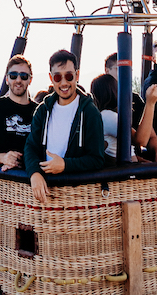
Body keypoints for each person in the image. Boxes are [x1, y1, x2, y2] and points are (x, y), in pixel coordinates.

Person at [24, 49, 107, 205]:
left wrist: (65, 165)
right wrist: (34, 173)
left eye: (69, 76)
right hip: (45, 196)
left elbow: (96, 159)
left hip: (76, 197)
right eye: (57, 77)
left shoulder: (90, 112)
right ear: (51, 78)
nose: (63, 83)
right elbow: (31, 147)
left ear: (77, 75)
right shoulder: (42, 110)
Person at [89, 72, 157, 161]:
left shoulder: (105, 116)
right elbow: (140, 141)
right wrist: (150, 103)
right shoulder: (108, 116)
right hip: (127, 169)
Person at [0, 57, 37, 170]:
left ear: (30, 80)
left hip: (30, 174)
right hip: (0, 174)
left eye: (24, 76)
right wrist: (3, 158)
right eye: (13, 75)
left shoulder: (39, 110)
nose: (18, 80)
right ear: (7, 79)